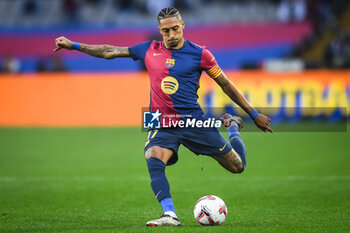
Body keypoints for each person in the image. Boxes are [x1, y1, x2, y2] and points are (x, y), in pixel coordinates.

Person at [54, 7, 273, 227]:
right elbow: (109, 51)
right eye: (166, 31)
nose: (171, 35)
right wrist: (73, 45)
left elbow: (226, 84)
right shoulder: (148, 50)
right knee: (153, 155)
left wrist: (253, 114)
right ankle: (170, 215)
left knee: (238, 166)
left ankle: (232, 127)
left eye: (175, 29)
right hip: (161, 122)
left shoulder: (201, 54)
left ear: (183, 26)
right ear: (159, 30)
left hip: (193, 122)